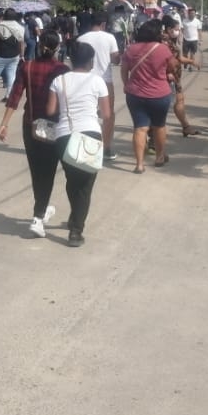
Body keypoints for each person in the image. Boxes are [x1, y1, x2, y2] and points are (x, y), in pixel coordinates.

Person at [0, 32, 68, 238]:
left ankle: (42, 209)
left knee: (37, 171)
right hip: (53, 126)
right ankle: (38, 216)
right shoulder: (61, 70)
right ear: (57, 48)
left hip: (31, 125)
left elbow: (15, 96)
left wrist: (4, 123)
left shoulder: (27, 66)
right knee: (48, 171)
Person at [46, 43, 110, 247]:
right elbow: (107, 114)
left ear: (71, 60)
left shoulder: (59, 80)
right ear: (91, 61)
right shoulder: (97, 81)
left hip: (64, 135)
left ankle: (75, 217)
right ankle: (76, 230)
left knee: (72, 180)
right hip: (90, 134)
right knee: (85, 185)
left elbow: (50, 111)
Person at [120, 18, 177, 173]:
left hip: (135, 94)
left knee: (140, 128)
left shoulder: (130, 49)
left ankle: (139, 164)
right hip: (159, 94)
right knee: (159, 126)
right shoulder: (163, 49)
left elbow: (124, 70)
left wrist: (126, 85)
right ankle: (159, 157)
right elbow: (173, 66)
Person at [78, 12, 121, 161]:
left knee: (86, 113)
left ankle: (84, 147)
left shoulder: (81, 38)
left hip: (84, 80)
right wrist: (120, 54)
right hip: (104, 80)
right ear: (104, 24)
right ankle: (106, 147)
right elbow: (115, 60)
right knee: (108, 115)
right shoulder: (109, 37)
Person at [163, 15, 200, 137]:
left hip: (175, 77)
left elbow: (178, 58)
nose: (178, 32)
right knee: (162, 106)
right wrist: (167, 72)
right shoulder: (164, 42)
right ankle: (154, 133)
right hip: (167, 78)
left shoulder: (171, 41)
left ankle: (186, 127)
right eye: (176, 29)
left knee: (180, 100)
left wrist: (191, 62)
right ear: (169, 29)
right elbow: (162, 60)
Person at [0, 9, 24, 101]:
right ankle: (8, 96)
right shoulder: (19, 27)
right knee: (11, 75)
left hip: (1, 53)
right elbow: (21, 43)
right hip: (14, 54)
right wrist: (22, 55)